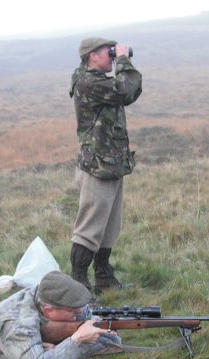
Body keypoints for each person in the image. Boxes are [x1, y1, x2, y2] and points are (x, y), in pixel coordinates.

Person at [69, 37, 142, 294]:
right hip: (97, 166)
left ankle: (104, 277)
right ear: (92, 56)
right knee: (90, 227)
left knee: (109, 226)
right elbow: (125, 90)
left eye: (113, 52)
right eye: (107, 52)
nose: (112, 55)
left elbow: (128, 90)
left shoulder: (97, 80)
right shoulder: (87, 82)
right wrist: (123, 59)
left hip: (111, 164)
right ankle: (78, 284)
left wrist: (119, 60)